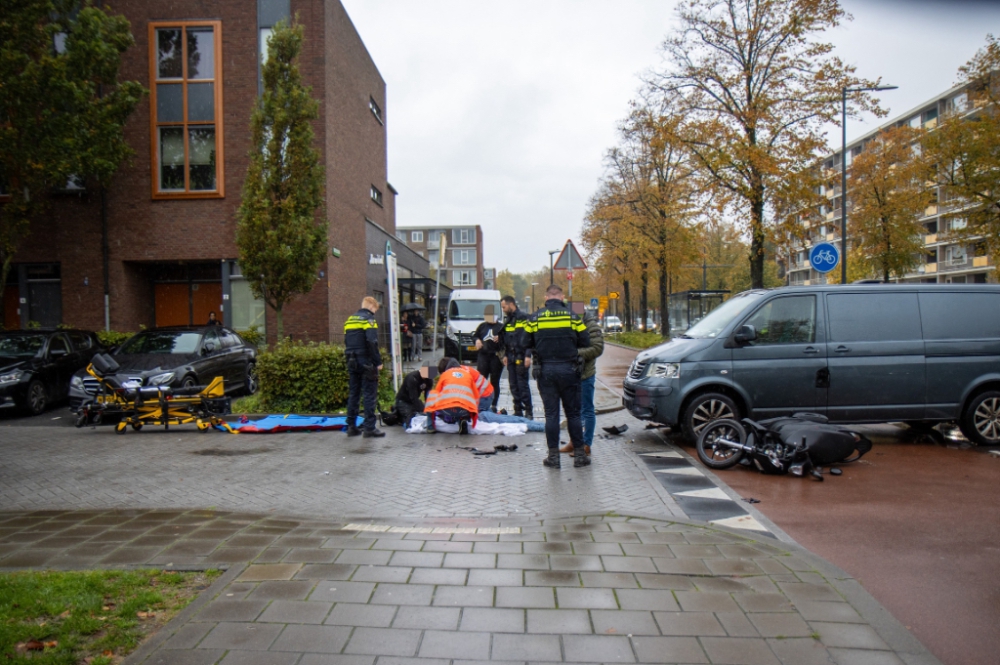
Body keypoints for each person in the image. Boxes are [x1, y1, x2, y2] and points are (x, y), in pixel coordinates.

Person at [525, 284, 590, 468]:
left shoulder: (535, 318)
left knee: (551, 415)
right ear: (562, 297)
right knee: (574, 414)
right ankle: (579, 456)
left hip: (546, 371)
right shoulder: (572, 317)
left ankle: (553, 457)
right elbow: (585, 340)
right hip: (569, 370)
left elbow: (525, 342)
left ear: (546, 298)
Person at [561, 310, 604, 457]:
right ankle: (574, 442)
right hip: (570, 374)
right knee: (573, 410)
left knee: (587, 409)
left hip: (585, 374)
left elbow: (598, 348)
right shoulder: (568, 322)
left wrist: (577, 353)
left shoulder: (591, 325)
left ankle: (586, 444)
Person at [344, 296, 385, 438]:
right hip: (366, 362)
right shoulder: (369, 320)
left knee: (354, 393)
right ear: (372, 306)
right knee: (369, 394)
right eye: (375, 309)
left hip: (351, 360)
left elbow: (346, 341)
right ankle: (369, 428)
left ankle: (351, 426)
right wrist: (378, 362)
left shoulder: (349, 320)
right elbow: (372, 342)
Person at [424, 358, 493, 434]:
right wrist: (472, 414)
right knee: (461, 404)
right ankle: (462, 419)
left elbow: (436, 394)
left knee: (482, 416)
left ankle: (430, 426)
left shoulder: (446, 375)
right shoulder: (464, 372)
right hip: (482, 396)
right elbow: (473, 396)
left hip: (484, 396)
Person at [500, 295, 533, 418]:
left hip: (521, 356)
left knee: (522, 385)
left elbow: (530, 337)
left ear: (510, 304)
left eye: (504, 307)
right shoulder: (508, 320)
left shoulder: (524, 318)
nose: (503, 309)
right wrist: (504, 355)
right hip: (510, 356)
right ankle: (518, 410)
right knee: (513, 385)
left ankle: (529, 411)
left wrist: (528, 355)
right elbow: (506, 339)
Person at [473, 305, 504, 412]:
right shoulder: (482, 326)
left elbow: (508, 339)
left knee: (495, 381)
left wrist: (501, 338)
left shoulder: (501, 327)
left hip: (495, 356)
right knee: (481, 380)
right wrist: (477, 340)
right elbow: (475, 335)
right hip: (483, 356)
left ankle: (494, 404)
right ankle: (480, 402)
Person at [394, 363, 438, 428]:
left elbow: (428, 397)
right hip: (403, 401)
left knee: (423, 414)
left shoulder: (429, 380)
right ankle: (398, 414)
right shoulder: (412, 378)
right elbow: (413, 397)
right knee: (410, 417)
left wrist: (428, 409)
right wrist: (421, 409)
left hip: (414, 401)